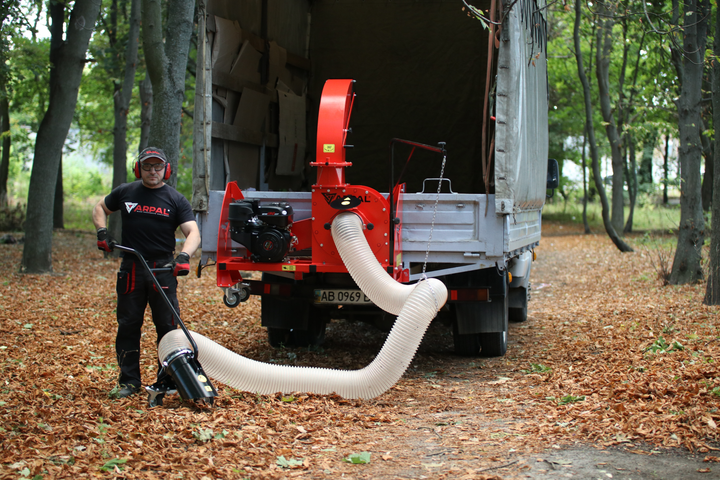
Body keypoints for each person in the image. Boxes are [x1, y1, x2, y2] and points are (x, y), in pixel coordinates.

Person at [92, 147, 201, 399]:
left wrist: (183, 256)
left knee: (168, 328)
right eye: (148, 166)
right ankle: (129, 382)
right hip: (131, 269)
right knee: (128, 325)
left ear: (166, 169)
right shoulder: (125, 192)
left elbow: (193, 232)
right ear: (138, 168)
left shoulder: (175, 199)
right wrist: (102, 232)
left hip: (162, 270)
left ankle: (167, 380)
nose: (153, 171)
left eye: (158, 167)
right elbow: (100, 207)